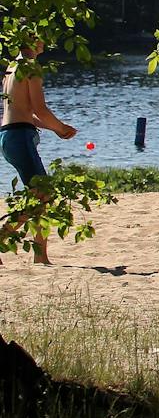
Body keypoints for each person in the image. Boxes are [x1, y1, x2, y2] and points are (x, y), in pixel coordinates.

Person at [2, 38, 79, 264]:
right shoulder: (31, 67)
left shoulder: (12, 66)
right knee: (43, 195)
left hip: (10, 135)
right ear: (32, 39)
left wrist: (54, 129)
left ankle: (40, 256)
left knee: (40, 196)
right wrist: (61, 127)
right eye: (41, 36)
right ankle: (5, 238)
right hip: (20, 137)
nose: (46, 41)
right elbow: (40, 108)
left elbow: (25, 111)